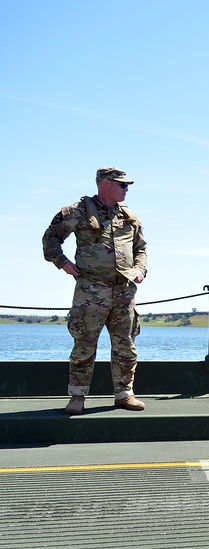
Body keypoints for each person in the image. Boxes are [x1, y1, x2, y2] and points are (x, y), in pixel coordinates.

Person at [42, 167, 148, 415]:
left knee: (126, 346)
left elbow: (141, 248)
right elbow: (50, 239)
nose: (126, 189)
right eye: (122, 185)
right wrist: (63, 263)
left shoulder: (130, 217)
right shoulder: (77, 212)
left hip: (124, 292)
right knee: (84, 345)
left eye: (127, 185)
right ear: (105, 183)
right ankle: (77, 397)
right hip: (91, 291)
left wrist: (140, 270)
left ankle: (124, 395)